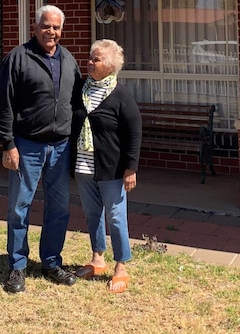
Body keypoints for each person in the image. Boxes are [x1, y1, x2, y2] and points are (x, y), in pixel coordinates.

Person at [0, 4, 82, 294]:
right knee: (19, 208)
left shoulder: (68, 60)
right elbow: (3, 103)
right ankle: (17, 266)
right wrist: (8, 144)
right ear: (35, 26)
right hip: (26, 145)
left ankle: (51, 262)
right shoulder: (18, 58)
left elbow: (77, 104)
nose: (51, 31)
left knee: (59, 209)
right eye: (46, 26)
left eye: (56, 27)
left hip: (60, 147)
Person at [70, 39, 141, 294]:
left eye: (96, 59)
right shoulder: (80, 89)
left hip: (112, 169)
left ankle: (121, 266)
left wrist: (130, 169)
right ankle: (97, 258)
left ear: (110, 65)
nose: (89, 62)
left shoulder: (121, 96)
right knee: (92, 214)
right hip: (83, 167)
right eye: (90, 57)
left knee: (116, 217)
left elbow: (134, 134)